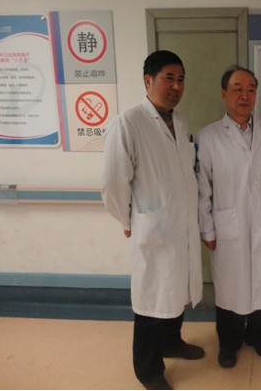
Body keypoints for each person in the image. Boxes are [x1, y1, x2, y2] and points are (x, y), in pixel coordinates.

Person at [102, 50, 204, 390]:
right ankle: (147, 370)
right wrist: (127, 220)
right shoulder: (128, 123)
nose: (176, 86)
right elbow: (113, 182)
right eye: (169, 78)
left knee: (176, 292)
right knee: (151, 300)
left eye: (181, 79)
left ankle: (172, 342)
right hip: (153, 227)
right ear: (148, 80)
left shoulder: (181, 123)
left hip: (181, 226)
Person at [196, 66, 261, 369]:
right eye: (237, 88)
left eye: (251, 89)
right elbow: (202, 188)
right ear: (224, 94)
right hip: (228, 226)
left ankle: (259, 337)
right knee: (230, 287)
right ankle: (229, 343)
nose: (244, 95)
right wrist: (207, 229)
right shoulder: (209, 137)